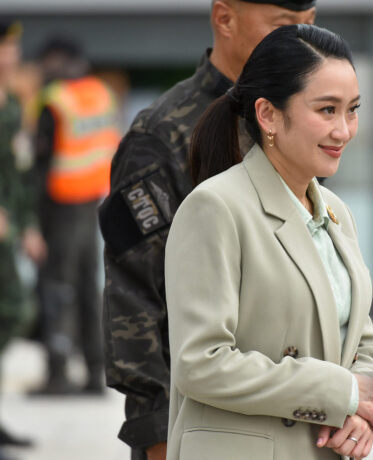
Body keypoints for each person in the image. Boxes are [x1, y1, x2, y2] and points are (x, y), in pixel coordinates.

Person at [165, 24, 373, 460]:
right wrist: (344, 392)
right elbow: (200, 363)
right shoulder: (215, 207)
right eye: (326, 110)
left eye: (352, 110)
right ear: (268, 115)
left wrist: (360, 410)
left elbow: (361, 341)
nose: (344, 130)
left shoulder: (336, 212)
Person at [98, 2, 316, 459]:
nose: (300, 40)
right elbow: (134, 297)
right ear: (225, 19)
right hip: (201, 424)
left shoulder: (299, 118)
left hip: (294, 414)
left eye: (310, 24)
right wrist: (157, 433)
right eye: (283, 25)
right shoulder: (162, 135)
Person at [31, 36, 121, 396]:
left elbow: (40, 162)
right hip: (93, 201)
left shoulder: (55, 100)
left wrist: (31, 219)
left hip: (60, 204)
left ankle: (57, 374)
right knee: (87, 286)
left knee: (56, 287)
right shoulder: (102, 93)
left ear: (58, 59)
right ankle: (95, 373)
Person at [0, 18, 45, 459]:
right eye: (3, 48)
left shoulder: (12, 103)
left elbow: (17, 171)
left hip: (7, 230)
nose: (9, 56)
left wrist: (28, 223)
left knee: (15, 310)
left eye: (12, 48)